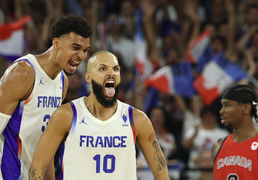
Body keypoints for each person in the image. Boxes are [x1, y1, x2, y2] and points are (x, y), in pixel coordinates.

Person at [0, 14, 92, 180]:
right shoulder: (23, 72)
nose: (81, 56)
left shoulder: (62, 82)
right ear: (56, 43)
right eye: (75, 48)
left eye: (85, 50)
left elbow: (47, 143)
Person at [29, 51, 170, 180]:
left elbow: (161, 173)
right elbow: (37, 166)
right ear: (88, 77)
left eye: (115, 69)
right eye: (103, 69)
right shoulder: (67, 115)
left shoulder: (137, 119)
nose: (111, 73)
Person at [212, 84, 258, 179]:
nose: (221, 111)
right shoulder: (218, 145)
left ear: (246, 108)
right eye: (222, 106)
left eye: (227, 105)